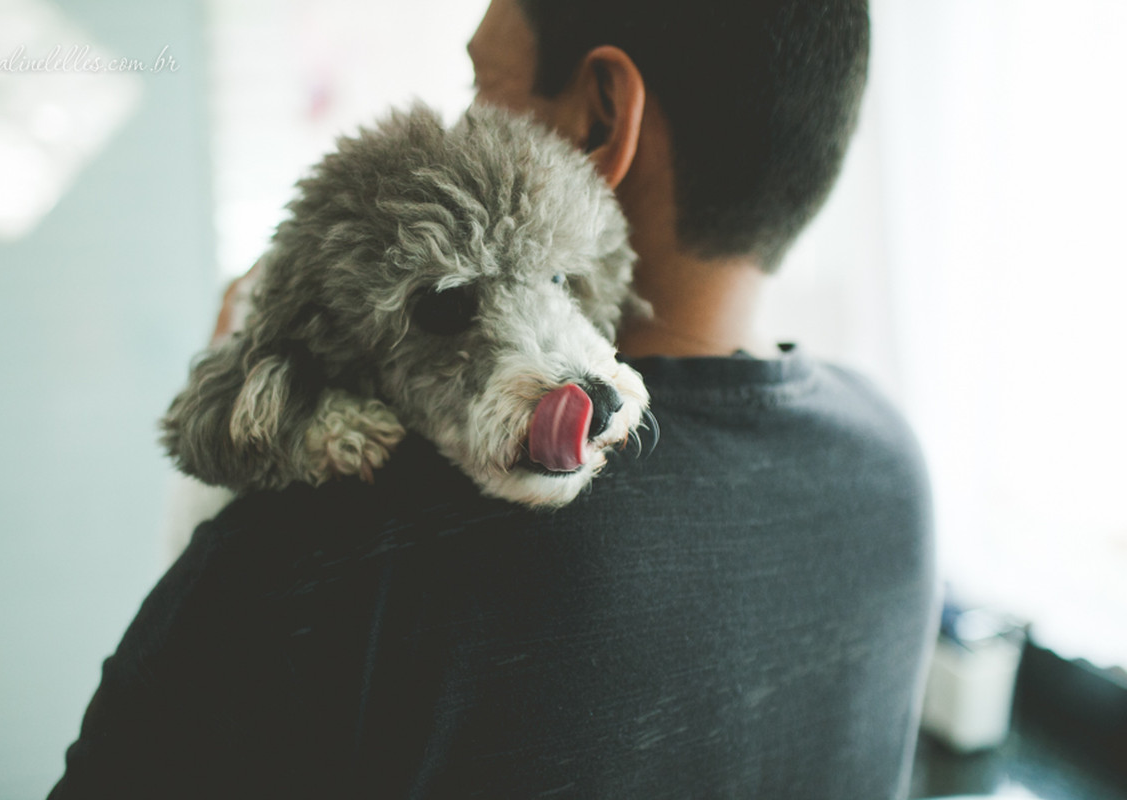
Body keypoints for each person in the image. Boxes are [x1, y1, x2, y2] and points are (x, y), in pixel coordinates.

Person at [49, 0, 936, 797]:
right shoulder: (892, 461)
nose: (462, 121)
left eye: (483, 79)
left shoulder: (330, 541)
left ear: (597, 118)